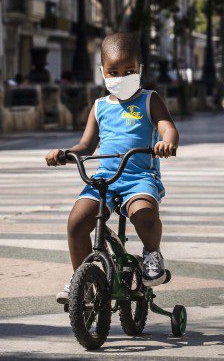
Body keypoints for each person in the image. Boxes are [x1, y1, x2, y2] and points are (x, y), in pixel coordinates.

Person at [45, 32, 179, 304]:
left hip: (139, 176)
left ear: (139, 69)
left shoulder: (148, 99)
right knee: (77, 222)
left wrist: (167, 142)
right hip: (104, 178)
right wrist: (65, 154)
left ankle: (152, 253)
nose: (122, 76)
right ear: (102, 72)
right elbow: (86, 145)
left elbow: (168, 127)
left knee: (144, 214)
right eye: (114, 71)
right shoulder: (100, 107)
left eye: (129, 70)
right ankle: (82, 276)